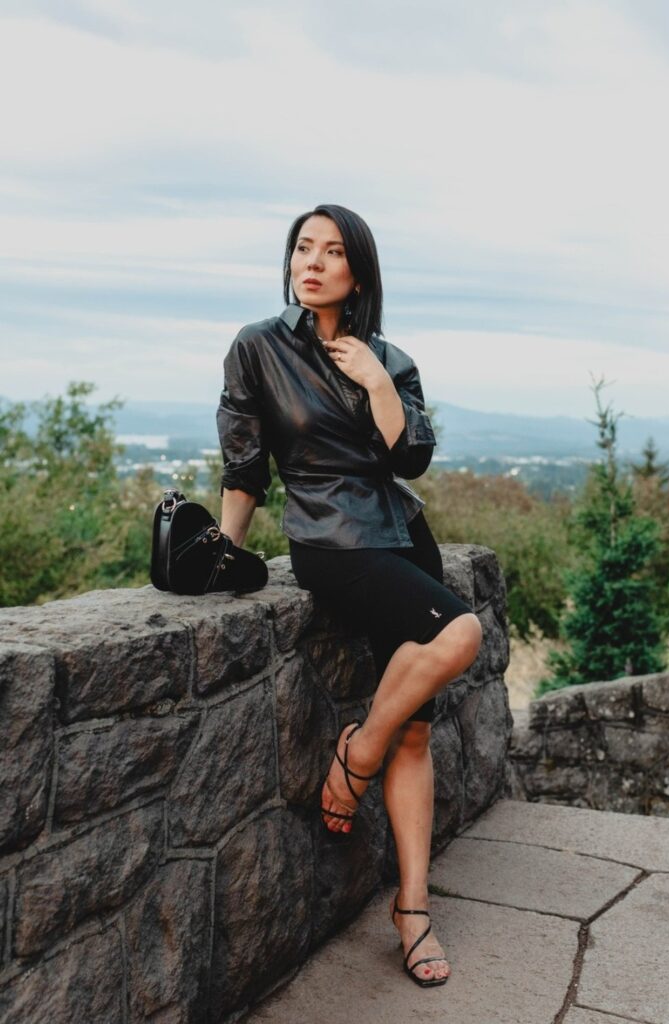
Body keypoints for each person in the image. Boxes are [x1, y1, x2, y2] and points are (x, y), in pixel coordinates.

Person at [216, 203, 482, 988]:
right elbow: (244, 466)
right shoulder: (256, 347)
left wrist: (373, 381)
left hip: (403, 536)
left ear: (356, 272)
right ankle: (354, 754)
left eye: (333, 252)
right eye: (304, 247)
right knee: (459, 634)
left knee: (414, 738)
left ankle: (411, 910)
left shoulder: (389, 357)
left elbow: (412, 460)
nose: (314, 261)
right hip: (330, 541)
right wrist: (228, 552)